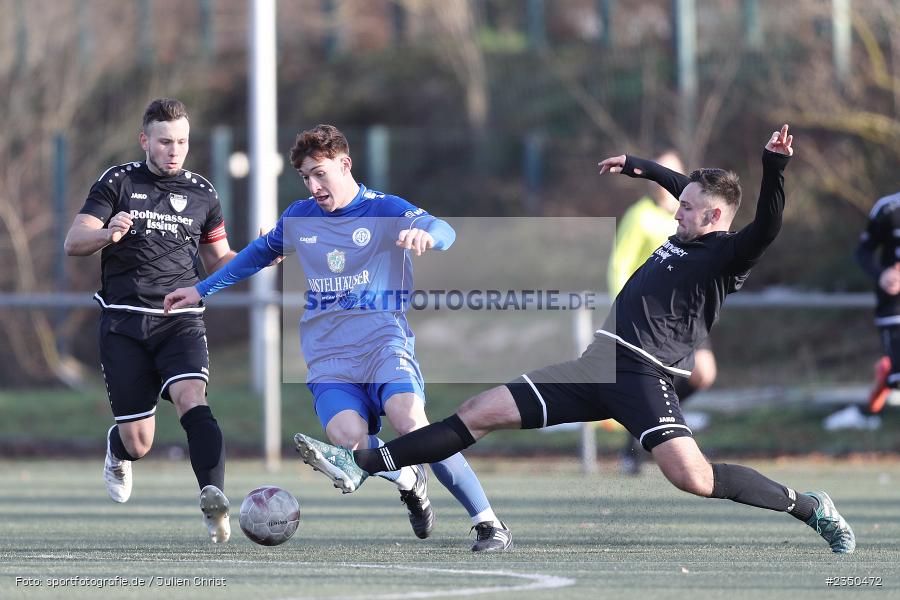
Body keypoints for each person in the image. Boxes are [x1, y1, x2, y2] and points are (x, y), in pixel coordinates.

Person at [292, 125, 857, 554]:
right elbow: (676, 184)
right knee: (477, 411)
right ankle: (367, 462)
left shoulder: (727, 254)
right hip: (595, 365)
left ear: (712, 216)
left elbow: (768, 225)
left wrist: (773, 168)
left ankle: (808, 507)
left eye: (684, 207)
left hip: (642, 377)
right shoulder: (689, 222)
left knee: (695, 478)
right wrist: (637, 166)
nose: (674, 210)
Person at [164, 124, 512, 552]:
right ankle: (409, 480)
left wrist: (427, 236)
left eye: (320, 173)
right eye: (306, 177)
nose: (313, 185)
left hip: (384, 345)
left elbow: (444, 229)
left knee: (411, 422)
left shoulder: (384, 209)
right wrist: (201, 289)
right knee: (349, 440)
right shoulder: (300, 217)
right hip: (329, 358)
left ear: (344, 164)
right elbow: (257, 254)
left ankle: (489, 524)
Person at [64, 98, 236, 543]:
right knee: (139, 442)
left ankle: (213, 499)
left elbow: (220, 259)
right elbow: (74, 241)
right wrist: (108, 232)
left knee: (192, 397)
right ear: (145, 140)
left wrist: (263, 256)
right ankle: (118, 448)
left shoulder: (203, 193)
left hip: (180, 318)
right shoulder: (116, 182)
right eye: (164, 142)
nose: (174, 150)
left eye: (181, 141)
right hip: (124, 324)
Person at [608, 151, 717, 475]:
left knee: (703, 373)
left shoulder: (695, 215)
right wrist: (625, 309)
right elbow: (619, 265)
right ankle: (642, 442)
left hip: (689, 312)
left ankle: (647, 428)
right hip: (653, 318)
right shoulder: (639, 216)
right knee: (658, 380)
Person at [854, 190, 900, 415]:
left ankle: (888, 372)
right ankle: (888, 375)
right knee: (898, 380)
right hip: (893, 308)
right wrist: (881, 274)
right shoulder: (888, 208)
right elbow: (862, 252)